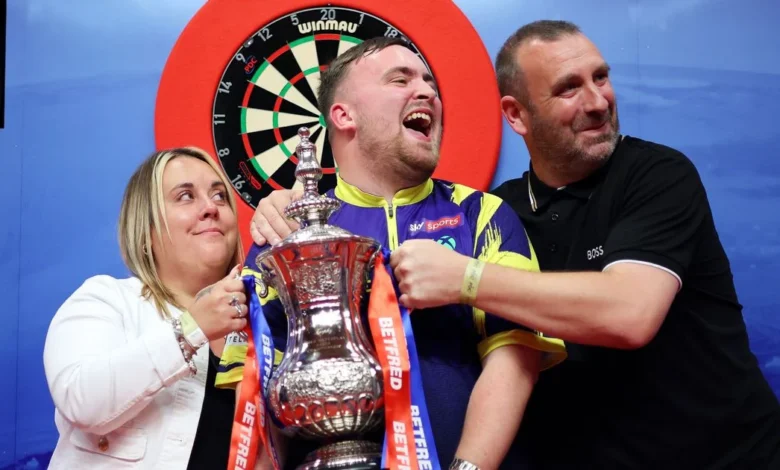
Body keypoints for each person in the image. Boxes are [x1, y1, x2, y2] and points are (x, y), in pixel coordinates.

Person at [384, 20, 780, 469]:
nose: (598, 102)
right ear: (516, 115)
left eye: (601, 77)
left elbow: (630, 314)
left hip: (730, 458)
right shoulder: (496, 214)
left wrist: (466, 278)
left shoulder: (658, 174)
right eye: (569, 88)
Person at [218, 37, 566, 470]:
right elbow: (257, 392)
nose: (427, 92)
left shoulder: (482, 215)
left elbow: (514, 359)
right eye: (400, 80)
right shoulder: (287, 234)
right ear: (344, 115)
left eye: (429, 82)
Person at [43, 147, 250, 469]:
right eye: (185, 196)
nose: (211, 208)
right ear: (146, 231)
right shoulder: (107, 299)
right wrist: (192, 329)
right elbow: (80, 401)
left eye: (219, 196)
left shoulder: (263, 325)